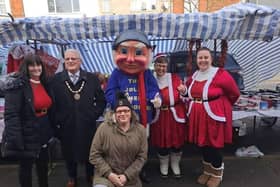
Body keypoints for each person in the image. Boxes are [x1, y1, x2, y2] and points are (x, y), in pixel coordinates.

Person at [178, 47, 240, 187]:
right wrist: (183, 91)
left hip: (213, 117)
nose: (203, 60)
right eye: (200, 57)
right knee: (203, 145)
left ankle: (217, 173)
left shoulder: (220, 74)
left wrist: (223, 106)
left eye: (206, 57)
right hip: (197, 117)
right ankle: (207, 171)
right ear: (196, 60)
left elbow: (234, 93)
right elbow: (188, 93)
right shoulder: (195, 75)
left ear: (211, 59)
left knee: (213, 145)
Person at [105, 30, 161, 183]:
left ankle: (141, 170)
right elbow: (110, 92)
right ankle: (124, 172)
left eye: (137, 52)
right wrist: (119, 101)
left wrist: (156, 99)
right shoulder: (116, 73)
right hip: (123, 118)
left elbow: (153, 90)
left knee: (142, 147)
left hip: (143, 118)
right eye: (123, 51)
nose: (130, 59)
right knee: (124, 146)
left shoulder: (147, 74)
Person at [50, 49, 106, 187]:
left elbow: (101, 101)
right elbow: (52, 104)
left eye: (73, 59)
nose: (70, 61)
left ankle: (90, 174)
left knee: (89, 151)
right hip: (66, 124)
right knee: (68, 152)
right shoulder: (56, 80)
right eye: (67, 59)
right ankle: (72, 177)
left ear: (80, 61)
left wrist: (92, 115)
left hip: (87, 124)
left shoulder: (91, 78)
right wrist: (58, 119)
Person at [1, 54, 53, 187]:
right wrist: (16, 137)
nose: (36, 68)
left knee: (43, 166)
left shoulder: (45, 83)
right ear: (26, 67)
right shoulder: (18, 85)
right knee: (26, 169)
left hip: (43, 131)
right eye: (32, 65)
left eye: (38, 65)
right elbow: (11, 114)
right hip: (26, 133)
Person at [89, 92, 148, 187]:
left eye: (126, 111)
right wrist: (109, 174)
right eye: (119, 111)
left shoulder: (140, 130)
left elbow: (142, 157)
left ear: (131, 112)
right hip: (105, 177)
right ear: (114, 114)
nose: (123, 114)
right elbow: (94, 155)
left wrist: (126, 176)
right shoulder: (104, 128)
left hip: (130, 179)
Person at [150, 53, 187, 178]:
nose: (161, 69)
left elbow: (184, 95)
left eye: (164, 66)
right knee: (161, 141)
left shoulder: (174, 78)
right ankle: (164, 164)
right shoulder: (150, 79)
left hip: (174, 115)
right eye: (159, 65)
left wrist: (184, 91)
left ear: (167, 67)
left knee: (176, 141)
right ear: (154, 65)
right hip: (159, 116)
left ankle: (175, 164)